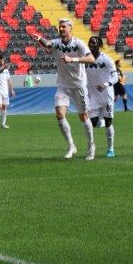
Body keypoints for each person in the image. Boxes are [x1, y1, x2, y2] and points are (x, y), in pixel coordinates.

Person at [34, 19, 95, 160]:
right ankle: (71, 145)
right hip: (63, 86)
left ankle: (91, 145)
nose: (61, 29)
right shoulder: (56, 43)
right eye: (59, 27)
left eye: (64, 27)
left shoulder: (78, 43)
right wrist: (41, 39)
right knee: (59, 113)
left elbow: (91, 59)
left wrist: (73, 60)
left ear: (70, 28)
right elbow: (49, 44)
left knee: (83, 117)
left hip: (79, 85)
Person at [65, 36, 118, 158]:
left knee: (109, 122)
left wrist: (105, 84)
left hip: (107, 96)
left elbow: (115, 77)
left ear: (99, 45)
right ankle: (99, 125)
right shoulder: (86, 60)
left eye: (94, 43)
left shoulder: (106, 60)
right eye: (90, 43)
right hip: (93, 97)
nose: (91, 45)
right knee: (92, 123)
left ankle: (110, 149)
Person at [0, 53, 15, 129]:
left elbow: (8, 80)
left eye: (3, 61)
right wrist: (3, 69)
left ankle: (3, 124)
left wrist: (12, 90)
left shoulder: (6, 70)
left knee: (4, 107)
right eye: (0, 61)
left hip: (5, 91)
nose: (2, 62)